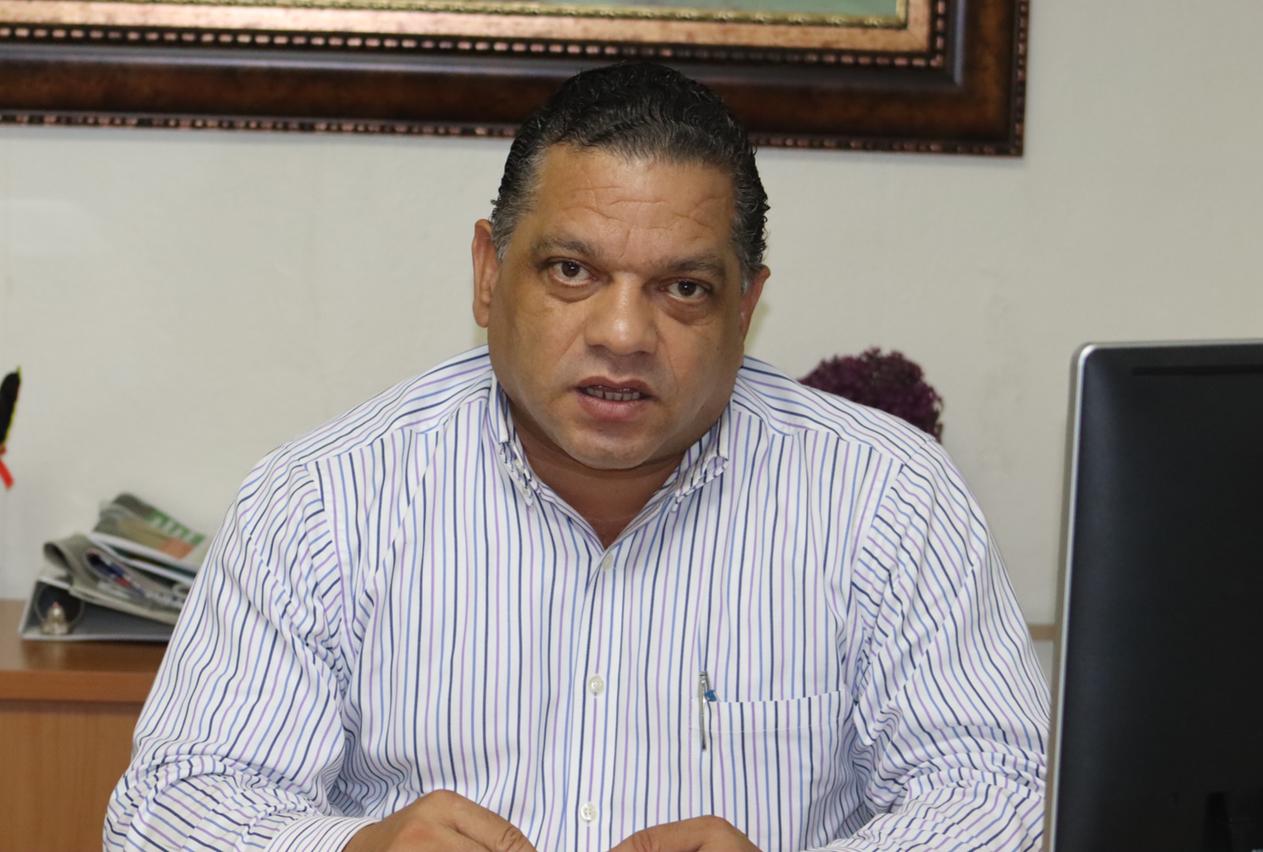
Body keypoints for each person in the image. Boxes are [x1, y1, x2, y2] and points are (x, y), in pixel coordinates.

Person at [106, 62, 1049, 851]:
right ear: (488, 273)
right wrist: (353, 851)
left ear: (746, 306)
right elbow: (170, 810)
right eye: (571, 272)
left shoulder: (888, 498)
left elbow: (998, 793)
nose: (623, 333)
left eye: (683, 288)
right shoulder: (325, 500)